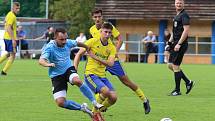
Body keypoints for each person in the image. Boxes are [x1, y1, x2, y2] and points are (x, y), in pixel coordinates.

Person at [89, 9, 150, 114]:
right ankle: (99, 108)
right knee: (94, 81)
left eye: (99, 16)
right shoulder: (92, 29)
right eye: (95, 17)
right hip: (99, 62)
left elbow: (120, 39)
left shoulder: (109, 27)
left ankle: (144, 100)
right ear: (92, 18)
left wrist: (114, 53)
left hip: (112, 61)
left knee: (126, 82)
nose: (97, 19)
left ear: (102, 17)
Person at [38, 28, 104, 119]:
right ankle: (83, 108)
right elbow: (41, 60)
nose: (64, 41)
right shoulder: (49, 47)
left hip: (68, 69)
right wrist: (48, 64)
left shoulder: (68, 42)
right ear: (55, 38)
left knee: (77, 80)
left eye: (65, 38)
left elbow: (77, 43)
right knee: (60, 102)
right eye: (61, 39)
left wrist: (87, 47)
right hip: (56, 75)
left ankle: (95, 103)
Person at [74, 22, 117, 121]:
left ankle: (97, 112)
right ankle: (95, 113)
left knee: (114, 97)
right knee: (105, 91)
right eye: (105, 32)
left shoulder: (111, 47)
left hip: (102, 76)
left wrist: (95, 57)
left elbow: (111, 64)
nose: (107, 34)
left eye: (109, 33)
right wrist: (74, 68)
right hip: (90, 74)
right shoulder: (92, 41)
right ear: (101, 32)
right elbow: (79, 54)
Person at [166, 0, 195, 96]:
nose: (178, 4)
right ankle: (188, 82)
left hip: (180, 44)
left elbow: (186, 30)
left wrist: (179, 43)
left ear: (183, 4)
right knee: (170, 65)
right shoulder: (176, 16)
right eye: (177, 3)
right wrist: (169, 42)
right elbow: (174, 32)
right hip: (174, 43)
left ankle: (177, 90)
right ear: (174, 4)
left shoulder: (184, 15)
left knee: (175, 66)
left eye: (180, 3)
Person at [0, 2, 20, 75]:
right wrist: (13, 39)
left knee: (9, 54)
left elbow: (5, 23)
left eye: (18, 8)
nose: (18, 10)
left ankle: (4, 71)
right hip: (9, 38)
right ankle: (4, 71)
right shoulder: (12, 16)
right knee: (13, 55)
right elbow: (8, 27)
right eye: (16, 8)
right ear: (12, 8)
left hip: (7, 37)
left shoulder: (9, 14)